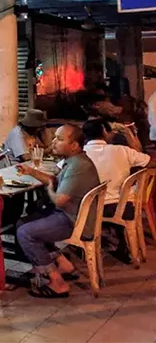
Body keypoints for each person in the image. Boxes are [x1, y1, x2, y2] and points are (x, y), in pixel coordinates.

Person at [16, 124, 100, 298]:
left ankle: (56, 282)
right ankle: (63, 264)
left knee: (25, 232)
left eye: (60, 139)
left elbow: (59, 200)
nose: (54, 142)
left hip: (73, 221)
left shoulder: (78, 166)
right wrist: (31, 171)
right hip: (73, 215)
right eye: (54, 137)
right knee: (24, 221)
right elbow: (54, 180)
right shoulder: (75, 161)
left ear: (75, 145)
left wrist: (48, 189)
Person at [83, 118, 155, 262]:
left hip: (91, 207)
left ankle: (83, 248)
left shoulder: (80, 154)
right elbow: (150, 162)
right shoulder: (122, 150)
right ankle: (126, 246)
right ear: (104, 131)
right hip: (123, 206)